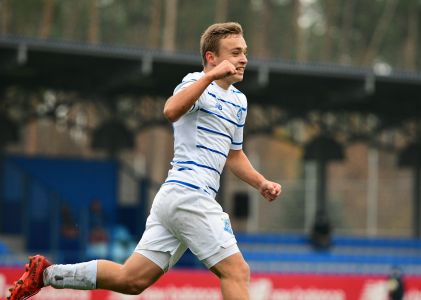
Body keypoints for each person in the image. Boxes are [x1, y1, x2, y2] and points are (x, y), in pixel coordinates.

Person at [7, 22, 281, 300]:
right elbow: (171, 110)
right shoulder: (195, 82)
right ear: (212, 58)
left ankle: (46, 274)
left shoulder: (239, 102)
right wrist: (208, 77)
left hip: (176, 199)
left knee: (132, 280)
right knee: (237, 271)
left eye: (244, 52)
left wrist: (261, 182)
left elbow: (234, 155)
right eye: (235, 53)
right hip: (190, 195)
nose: (244, 59)